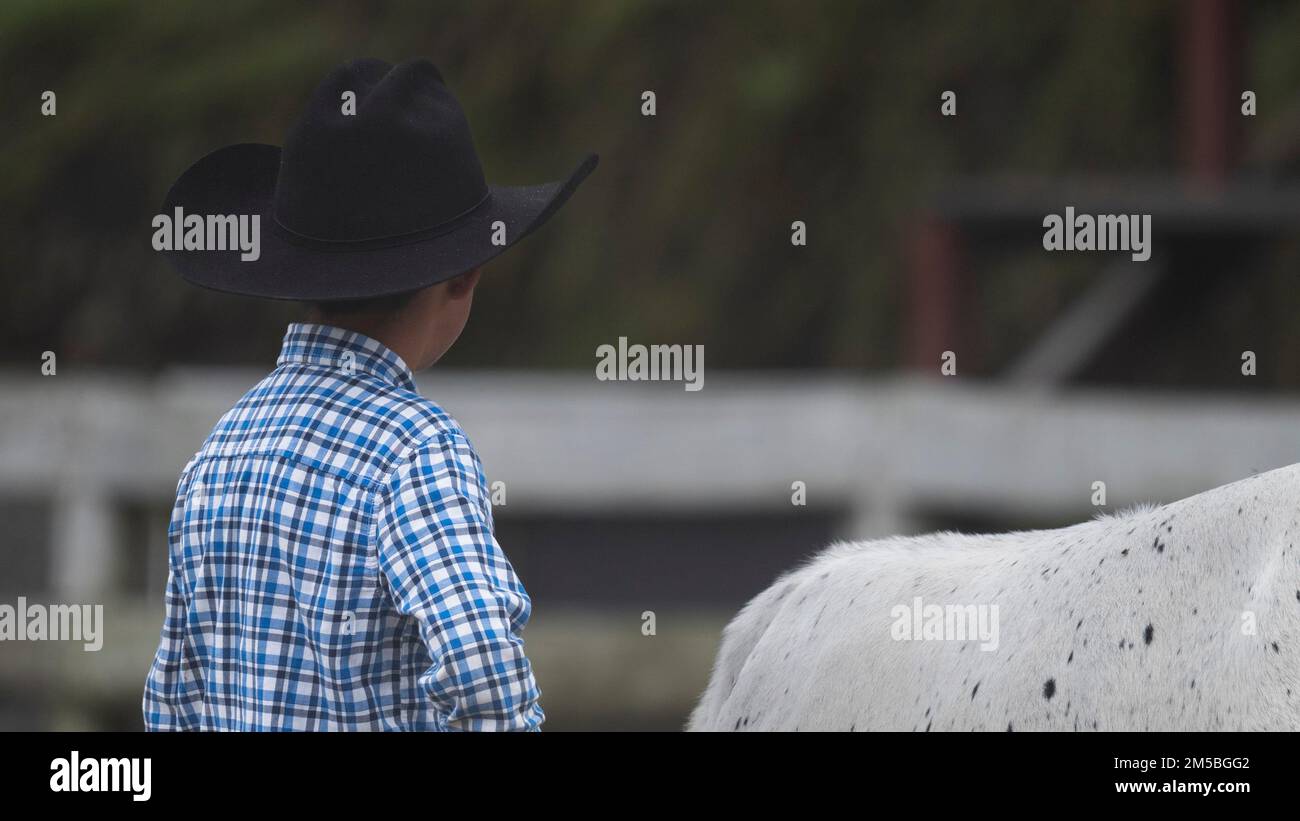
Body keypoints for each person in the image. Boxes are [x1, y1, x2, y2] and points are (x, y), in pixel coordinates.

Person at [144, 58, 597, 730]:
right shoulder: (415, 451)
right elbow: (479, 666)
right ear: (465, 274)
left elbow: (172, 700)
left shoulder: (220, 451)